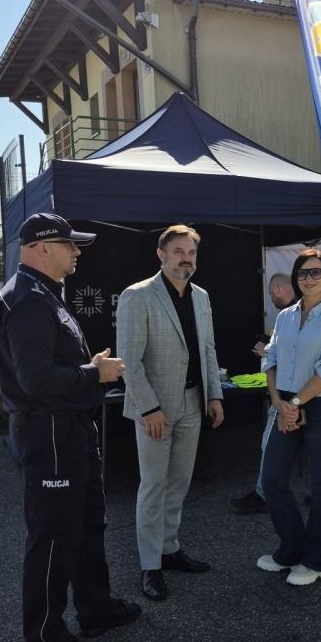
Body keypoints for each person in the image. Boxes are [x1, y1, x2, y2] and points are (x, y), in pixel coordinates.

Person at [0, 212, 141, 642]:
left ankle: (95, 609)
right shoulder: (28, 300)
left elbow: (51, 365)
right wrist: (94, 373)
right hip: (50, 433)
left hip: (70, 429)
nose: (77, 252)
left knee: (88, 523)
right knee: (54, 534)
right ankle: (44, 636)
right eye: (69, 244)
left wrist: (87, 368)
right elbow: (35, 379)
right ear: (42, 248)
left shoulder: (43, 292)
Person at [117, 225, 224, 602]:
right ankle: (150, 565)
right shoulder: (137, 295)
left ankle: (169, 548)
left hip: (193, 402)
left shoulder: (201, 297)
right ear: (161, 255)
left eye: (191, 252)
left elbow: (208, 349)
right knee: (153, 485)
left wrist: (215, 396)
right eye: (178, 251)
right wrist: (149, 408)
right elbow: (128, 360)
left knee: (179, 482)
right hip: (155, 410)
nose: (186, 258)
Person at [256, 249, 321, 586]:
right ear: (295, 278)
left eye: (316, 272)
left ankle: (317, 559)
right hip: (285, 404)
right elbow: (271, 358)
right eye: (303, 273)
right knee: (272, 478)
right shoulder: (284, 316)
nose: (309, 278)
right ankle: (292, 549)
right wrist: (278, 402)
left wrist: (293, 403)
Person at [230, 272, 296, 515]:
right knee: (315, 447)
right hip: (303, 395)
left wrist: (266, 352)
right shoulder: (303, 313)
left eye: (271, 293)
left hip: (289, 395)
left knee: (270, 444)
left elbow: (289, 356)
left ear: (278, 289)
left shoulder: (289, 316)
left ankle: (264, 494)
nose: (271, 298)